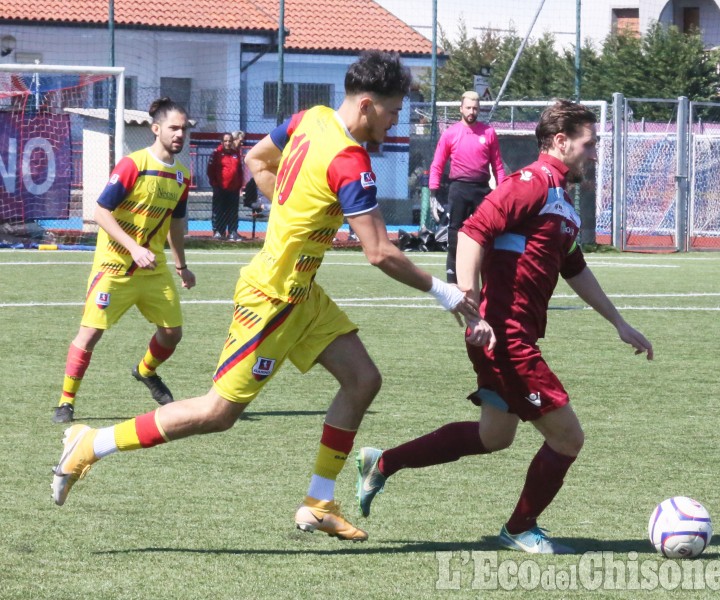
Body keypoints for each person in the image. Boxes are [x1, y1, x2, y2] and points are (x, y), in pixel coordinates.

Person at [51, 51, 480, 543]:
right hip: (272, 299)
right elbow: (380, 252)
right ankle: (90, 443)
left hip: (302, 293)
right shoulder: (350, 160)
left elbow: (257, 158)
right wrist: (446, 293)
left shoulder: (311, 117)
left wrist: (291, 212)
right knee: (218, 412)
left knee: (362, 380)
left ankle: (318, 503)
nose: (396, 119)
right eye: (392, 110)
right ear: (366, 105)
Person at [356, 99, 654, 554]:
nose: (594, 154)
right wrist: (471, 304)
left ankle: (383, 463)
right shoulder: (530, 185)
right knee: (568, 437)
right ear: (560, 142)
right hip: (503, 335)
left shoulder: (561, 202)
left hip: (509, 334)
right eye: (589, 144)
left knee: (493, 436)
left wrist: (618, 321)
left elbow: (574, 269)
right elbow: (472, 232)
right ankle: (520, 527)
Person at [51, 97, 196, 424]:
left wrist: (181, 266)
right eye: (173, 127)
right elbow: (101, 212)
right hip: (114, 267)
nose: (179, 134)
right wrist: (132, 248)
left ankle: (145, 371)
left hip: (153, 268)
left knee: (172, 333)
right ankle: (65, 402)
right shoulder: (133, 164)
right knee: (89, 334)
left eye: (183, 129)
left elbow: (175, 223)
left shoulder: (182, 176)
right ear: (156, 129)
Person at [429, 90, 505, 283]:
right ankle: (452, 279)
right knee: (454, 231)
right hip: (459, 189)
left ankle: (489, 279)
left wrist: (503, 191)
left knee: (490, 232)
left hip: (482, 190)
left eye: (475, 108)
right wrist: (433, 192)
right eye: (468, 108)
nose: (472, 111)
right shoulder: (450, 133)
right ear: (461, 108)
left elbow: (497, 165)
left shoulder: (488, 133)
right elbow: (438, 163)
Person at [207, 131, 244, 241]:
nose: (228, 143)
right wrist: (215, 184)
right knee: (219, 210)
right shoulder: (216, 153)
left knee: (233, 211)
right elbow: (210, 170)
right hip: (220, 188)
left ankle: (233, 232)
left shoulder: (235, 153)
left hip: (234, 188)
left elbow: (239, 170)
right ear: (222, 142)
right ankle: (218, 232)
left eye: (230, 141)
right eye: (226, 141)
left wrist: (240, 184)